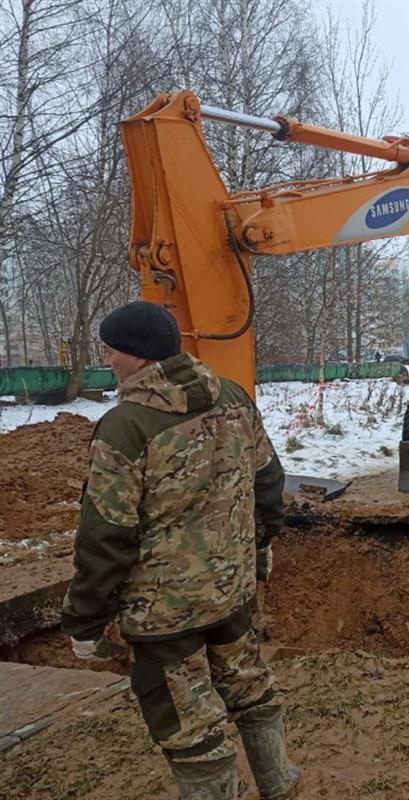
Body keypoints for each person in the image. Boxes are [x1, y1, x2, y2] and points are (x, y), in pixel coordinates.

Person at [60, 302, 300, 800]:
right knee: (248, 683)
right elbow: (268, 483)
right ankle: (280, 783)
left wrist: (84, 620)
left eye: (112, 351)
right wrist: (258, 550)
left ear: (140, 357)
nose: (109, 361)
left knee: (187, 723)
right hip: (231, 594)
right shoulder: (232, 398)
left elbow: (105, 536)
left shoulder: (124, 427)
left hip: (164, 616)